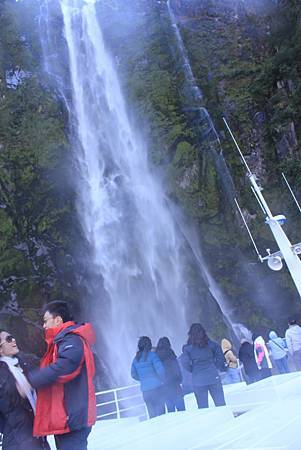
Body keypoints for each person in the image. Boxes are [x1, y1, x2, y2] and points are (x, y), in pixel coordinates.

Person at [28, 300, 96, 450]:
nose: (44, 326)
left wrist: (32, 380)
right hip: (68, 417)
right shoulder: (63, 340)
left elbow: (66, 366)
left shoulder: (71, 339)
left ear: (58, 319)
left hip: (72, 417)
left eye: (46, 321)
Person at [0, 329, 49, 450]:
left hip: (37, 434)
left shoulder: (24, 363)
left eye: (12, 337)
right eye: (8, 339)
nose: (13, 340)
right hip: (17, 440)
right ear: (0, 349)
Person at [181, 323, 226, 409]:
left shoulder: (187, 349)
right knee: (221, 404)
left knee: (203, 408)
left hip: (198, 380)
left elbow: (184, 362)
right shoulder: (211, 345)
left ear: (190, 335)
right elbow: (220, 356)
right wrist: (215, 366)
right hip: (213, 377)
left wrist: (192, 370)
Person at [131, 336, 165, 418]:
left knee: (152, 415)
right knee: (162, 415)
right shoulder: (152, 355)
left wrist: (143, 379)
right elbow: (161, 370)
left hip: (145, 391)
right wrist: (161, 379)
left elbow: (133, 374)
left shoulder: (136, 359)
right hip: (156, 388)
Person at [156, 337, 185, 412]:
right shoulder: (170, 353)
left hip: (164, 385)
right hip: (174, 383)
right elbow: (176, 368)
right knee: (181, 408)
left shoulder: (155, 356)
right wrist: (180, 379)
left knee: (170, 409)